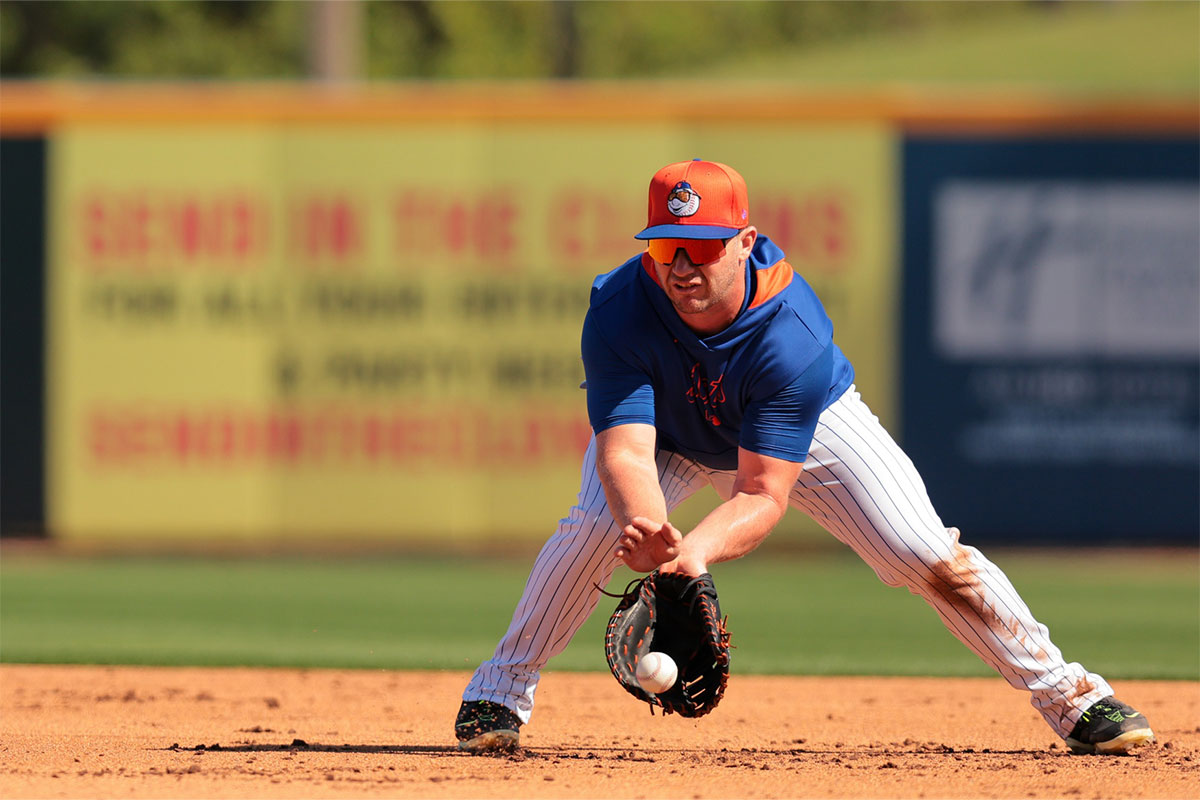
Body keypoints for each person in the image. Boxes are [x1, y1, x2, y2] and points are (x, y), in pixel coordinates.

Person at [453, 159, 1154, 756]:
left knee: (920, 550)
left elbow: (760, 492)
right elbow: (628, 450)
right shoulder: (618, 309)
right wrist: (648, 529)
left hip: (801, 430)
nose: (683, 265)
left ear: (744, 241)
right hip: (671, 433)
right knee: (595, 529)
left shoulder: (791, 334)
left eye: (703, 246)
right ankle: (499, 694)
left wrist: (689, 555)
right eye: (668, 248)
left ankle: (1072, 696)